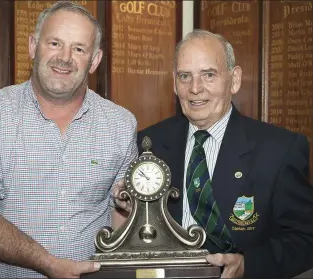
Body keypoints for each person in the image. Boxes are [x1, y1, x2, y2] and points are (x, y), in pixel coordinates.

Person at [0, 1, 137, 278]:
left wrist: (131, 204)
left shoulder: (121, 124)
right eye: (54, 43)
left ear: (95, 61)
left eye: (79, 48)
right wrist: (48, 264)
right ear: (32, 46)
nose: (65, 57)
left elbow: (119, 219)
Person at [116, 29, 313, 278]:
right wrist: (128, 206)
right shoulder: (149, 143)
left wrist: (247, 265)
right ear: (174, 83)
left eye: (209, 75)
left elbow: (306, 238)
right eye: (185, 76)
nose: (195, 88)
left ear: (235, 79)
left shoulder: (279, 149)